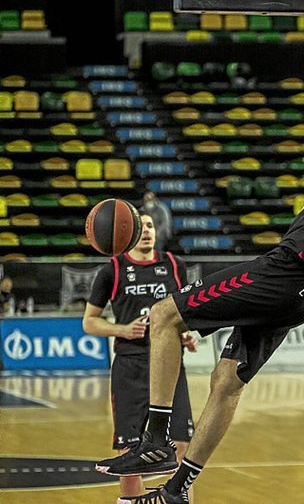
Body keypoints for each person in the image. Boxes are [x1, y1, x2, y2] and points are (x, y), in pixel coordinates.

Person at [96, 21, 304, 504]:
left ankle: (154, 441)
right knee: (226, 382)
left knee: (165, 315)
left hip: (285, 273)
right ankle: (177, 491)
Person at [83, 212, 198, 501]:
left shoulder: (174, 265)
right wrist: (122, 329)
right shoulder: (112, 270)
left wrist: (186, 333)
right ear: (128, 233)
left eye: (150, 225)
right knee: (131, 451)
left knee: (182, 446)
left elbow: (184, 311)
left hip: (170, 365)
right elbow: (89, 322)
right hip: (130, 365)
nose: (146, 231)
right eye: (140, 226)